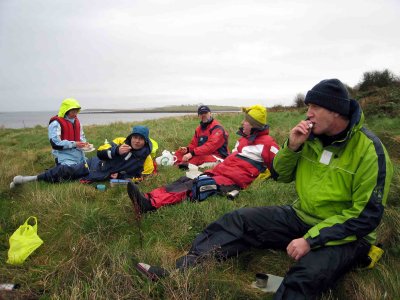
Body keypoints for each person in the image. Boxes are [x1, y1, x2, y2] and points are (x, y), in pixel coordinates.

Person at [136, 79, 394, 299]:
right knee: (237, 220)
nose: (308, 114)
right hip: (302, 216)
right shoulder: (310, 139)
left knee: (305, 277)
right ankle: (182, 271)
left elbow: (366, 217)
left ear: (336, 110)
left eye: (315, 107)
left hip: (347, 235)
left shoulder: (370, 151)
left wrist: (311, 240)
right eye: (308, 107)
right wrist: (292, 147)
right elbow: (280, 174)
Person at [127, 104, 279, 213]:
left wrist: (263, 175)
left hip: (231, 178)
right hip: (219, 171)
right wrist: (188, 150)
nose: (242, 123)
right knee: (184, 180)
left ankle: (150, 205)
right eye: (201, 114)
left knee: (197, 185)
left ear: (254, 124)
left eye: (246, 121)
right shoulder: (243, 140)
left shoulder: (267, 144)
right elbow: (196, 145)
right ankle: (148, 196)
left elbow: (279, 167)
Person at [10, 125, 155, 188]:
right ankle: (28, 179)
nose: (137, 141)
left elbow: (140, 178)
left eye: (140, 139)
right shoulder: (120, 142)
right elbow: (100, 152)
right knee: (65, 171)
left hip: (102, 175)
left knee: (66, 180)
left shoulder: (146, 159)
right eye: (135, 137)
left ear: (145, 140)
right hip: (95, 164)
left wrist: (120, 177)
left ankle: (43, 177)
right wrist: (116, 151)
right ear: (131, 137)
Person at [48, 98, 89, 166]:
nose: (75, 114)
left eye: (76, 111)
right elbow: (55, 144)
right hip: (64, 158)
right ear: (66, 111)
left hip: (80, 156)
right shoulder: (55, 124)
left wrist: (84, 144)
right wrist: (74, 144)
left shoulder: (77, 122)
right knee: (73, 173)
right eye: (73, 112)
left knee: (90, 168)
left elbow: (82, 137)